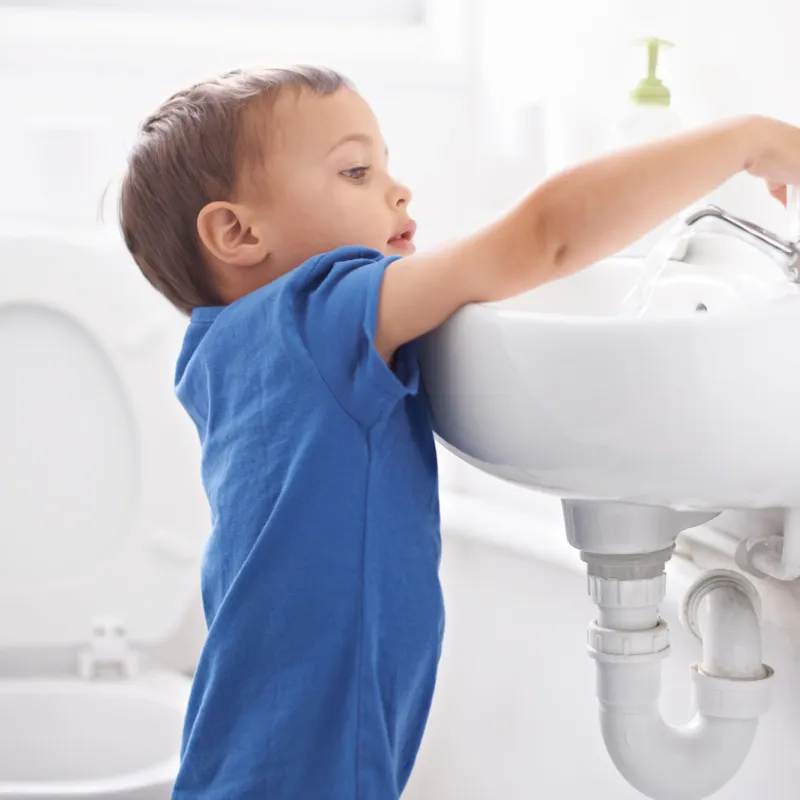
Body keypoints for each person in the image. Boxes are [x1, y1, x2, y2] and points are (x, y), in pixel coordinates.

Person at [118, 65, 800, 799]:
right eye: (354, 170)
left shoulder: (226, 348)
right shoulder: (316, 316)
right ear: (236, 231)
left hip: (250, 737)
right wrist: (746, 141)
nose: (397, 189)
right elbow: (547, 238)